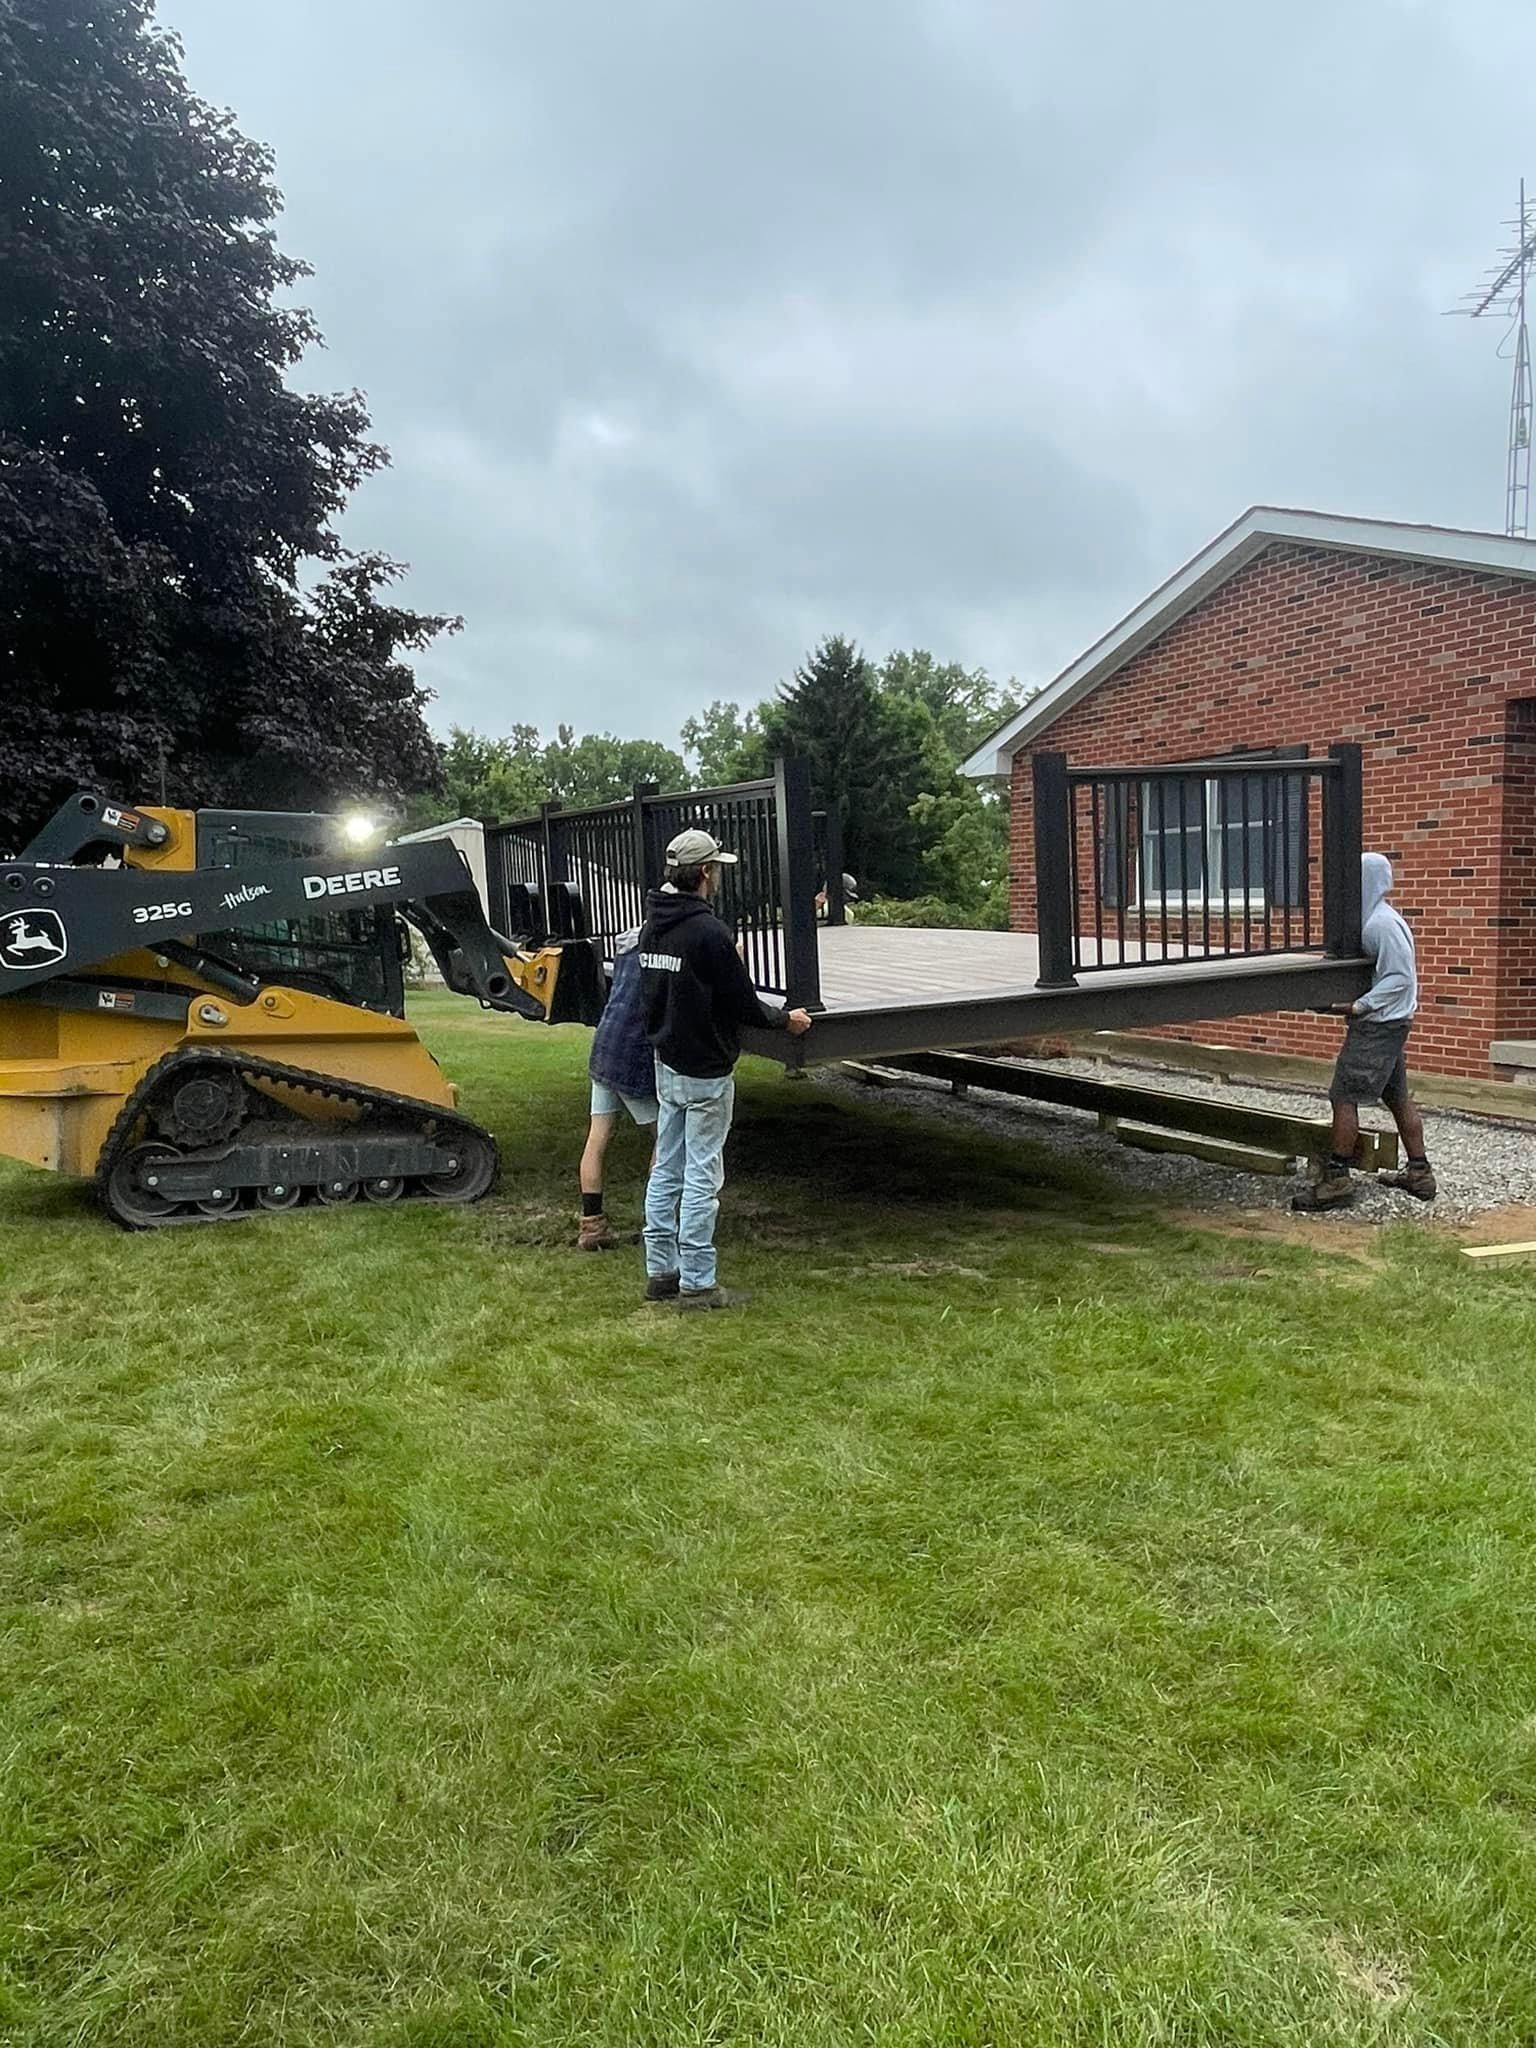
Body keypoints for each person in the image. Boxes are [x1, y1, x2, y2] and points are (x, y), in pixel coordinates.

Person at [638, 828, 814, 1308]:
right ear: (704, 873)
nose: (716, 878)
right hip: (705, 1071)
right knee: (702, 1175)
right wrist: (787, 1021)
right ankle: (698, 1281)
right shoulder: (709, 934)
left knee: (666, 1169)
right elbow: (743, 1003)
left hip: (667, 1062)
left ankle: (660, 1272)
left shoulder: (652, 924)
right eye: (715, 868)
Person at [1292, 852, 1436, 1213]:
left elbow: (1399, 978)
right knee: (1397, 1097)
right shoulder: (1375, 919)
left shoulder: (1380, 925)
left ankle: (1337, 1179)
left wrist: (1358, 1006)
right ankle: (1419, 1173)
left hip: (1378, 1027)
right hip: (1390, 1026)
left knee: (1343, 1096)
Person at [577, 932, 657, 1250]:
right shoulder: (666, 946)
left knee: (597, 1139)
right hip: (632, 1053)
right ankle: (657, 1223)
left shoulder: (627, 945)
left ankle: (592, 1227)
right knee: (665, 1137)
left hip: (605, 1044)